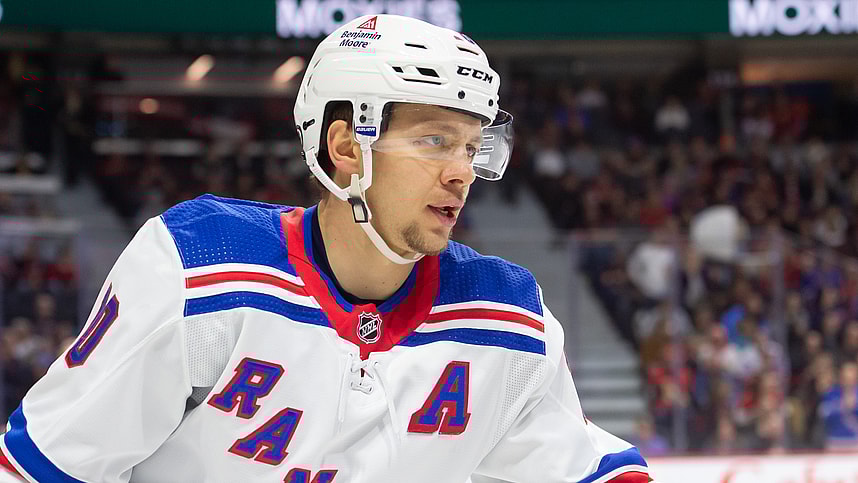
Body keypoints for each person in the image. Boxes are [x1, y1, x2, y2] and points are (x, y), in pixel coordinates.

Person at [0, 15, 651, 482]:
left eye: (471, 145)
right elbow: (51, 463)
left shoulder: (508, 314)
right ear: (345, 148)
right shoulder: (200, 268)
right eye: (433, 141)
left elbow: (584, 466)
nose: (462, 171)